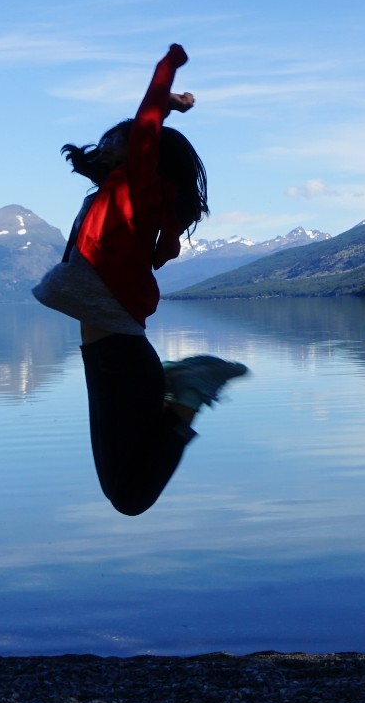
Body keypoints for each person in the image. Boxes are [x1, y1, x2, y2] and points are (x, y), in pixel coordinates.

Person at [32, 43, 249, 515]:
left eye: (116, 140)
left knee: (128, 496)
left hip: (118, 356)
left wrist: (167, 72)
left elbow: (146, 128)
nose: (104, 145)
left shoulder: (136, 189)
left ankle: (190, 389)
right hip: (111, 356)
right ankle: (181, 388)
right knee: (125, 489)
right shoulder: (114, 204)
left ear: (140, 158)